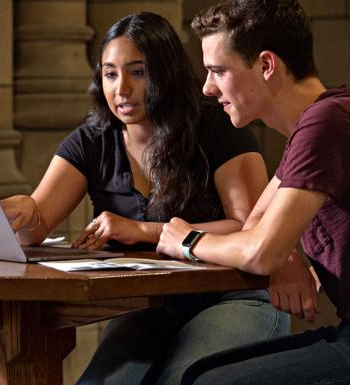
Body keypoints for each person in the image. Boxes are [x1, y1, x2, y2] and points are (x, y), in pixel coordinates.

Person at [1, 12, 290, 385]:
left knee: (183, 380)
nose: (121, 88)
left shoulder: (214, 125)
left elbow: (249, 226)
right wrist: (22, 214)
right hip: (147, 306)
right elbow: (37, 223)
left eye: (137, 72)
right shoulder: (93, 140)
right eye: (109, 74)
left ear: (165, 72)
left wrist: (143, 229)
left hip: (233, 296)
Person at [155, 1, 350, 384]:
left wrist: (188, 240)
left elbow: (259, 250)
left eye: (218, 71)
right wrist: (282, 256)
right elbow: (258, 226)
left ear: (266, 65)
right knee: (201, 374)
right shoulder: (314, 125)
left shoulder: (325, 123)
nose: (208, 89)